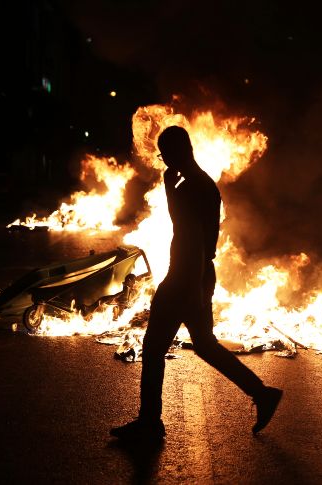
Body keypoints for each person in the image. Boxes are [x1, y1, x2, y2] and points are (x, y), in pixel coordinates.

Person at [111, 126, 282, 441]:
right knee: (204, 344)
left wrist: (190, 287)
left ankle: (149, 422)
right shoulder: (193, 183)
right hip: (197, 274)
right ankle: (262, 393)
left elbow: (194, 239)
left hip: (185, 276)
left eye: (165, 155)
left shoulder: (193, 187)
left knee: (153, 348)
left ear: (177, 152)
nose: (164, 162)